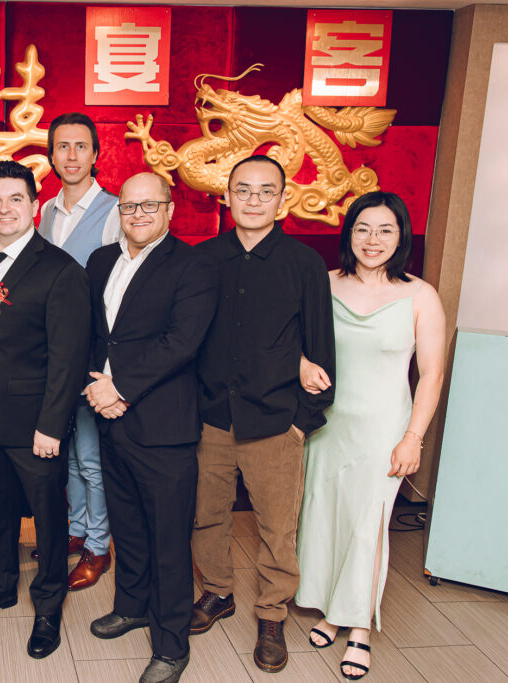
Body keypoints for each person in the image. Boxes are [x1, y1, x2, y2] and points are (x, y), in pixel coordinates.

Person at [190, 155, 336, 673]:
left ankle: (272, 614)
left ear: (282, 199)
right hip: (212, 416)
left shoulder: (304, 263)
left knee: (277, 527)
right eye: (243, 190)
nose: (253, 200)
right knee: (207, 515)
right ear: (226, 196)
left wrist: (302, 421)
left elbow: (321, 349)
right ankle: (217, 591)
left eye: (265, 191)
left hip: (275, 420)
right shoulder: (203, 259)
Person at [294, 192, 446, 681]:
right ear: (349, 234)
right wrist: (302, 364)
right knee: (326, 515)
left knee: (369, 525)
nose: (373, 240)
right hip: (328, 423)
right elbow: (292, 341)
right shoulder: (324, 282)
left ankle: (359, 626)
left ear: (401, 237)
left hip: (384, 427)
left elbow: (432, 374)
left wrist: (413, 437)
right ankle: (331, 609)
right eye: (363, 228)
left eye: (385, 230)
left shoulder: (421, 296)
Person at [85, 173, 218, 683]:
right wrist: (95, 388)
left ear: (169, 210)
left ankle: (171, 644)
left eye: (149, 205)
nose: (138, 214)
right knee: (128, 525)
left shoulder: (192, 265)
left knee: (167, 539)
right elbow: (94, 335)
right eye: (129, 206)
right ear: (118, 211)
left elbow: (181, 341)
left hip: (163, 424)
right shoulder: (101, 262)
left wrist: (119, 388)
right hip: (108, 418)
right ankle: (132, 606)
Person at [0, 161, 90, 660]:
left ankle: (49, 604)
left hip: (35, 424)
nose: (4, 209)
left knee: (49, 519)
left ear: (35, 205)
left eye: (16, 199)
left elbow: (68, 358)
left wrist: (51, 426)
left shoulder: (60, 270)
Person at [35, 112, 121, 591]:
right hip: (52, 352)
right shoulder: (46, 210)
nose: (71, 155)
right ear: (51, 155)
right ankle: (77, 528)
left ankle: (98, 545)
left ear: (95, 154)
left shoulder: (114, 211)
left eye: (81, 146)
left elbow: (118, 290)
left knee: (90, 457)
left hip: (90, 354)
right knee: (65, 452)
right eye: (62, 146)